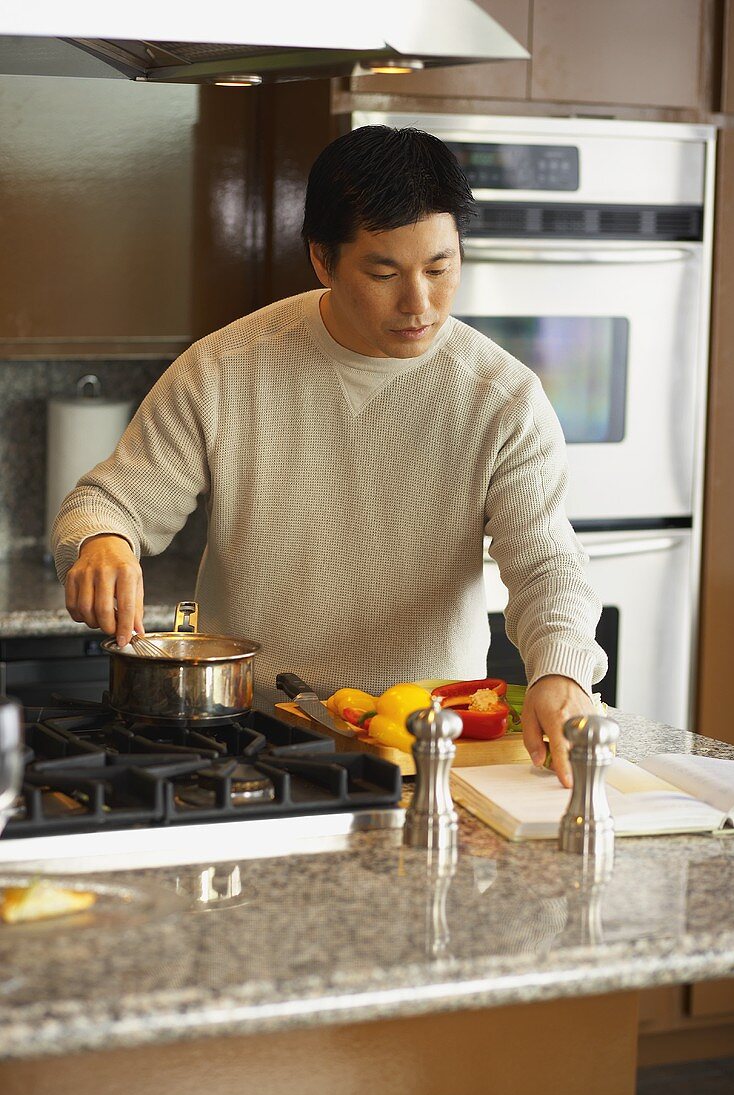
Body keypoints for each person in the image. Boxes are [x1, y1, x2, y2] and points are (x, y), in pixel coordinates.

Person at [53, 125, 607, 787]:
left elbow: (546, 559)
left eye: (439, 268)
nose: (419, 304)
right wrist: (103, 540)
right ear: (322, 260)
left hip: (425, 749)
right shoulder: (225, 370)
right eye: (384, 273)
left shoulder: (501, 397)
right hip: (252, 744)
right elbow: (105, 504)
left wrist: (562, 669)